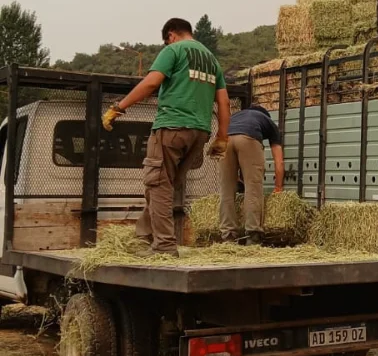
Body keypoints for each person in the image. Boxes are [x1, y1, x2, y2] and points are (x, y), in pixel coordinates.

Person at [103, 18, 230, 257]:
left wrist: (118, 107)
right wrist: (222, 136)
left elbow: (151, 82)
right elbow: (223, 101)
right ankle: (143, 236)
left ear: (171, 35)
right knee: (165, 185)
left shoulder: (174, 50)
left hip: (172, 127)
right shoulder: (212, 61)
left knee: (158, 184)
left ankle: (164, 246)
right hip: (200, 132)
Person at [219, 104, 284, 245]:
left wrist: (236, 178)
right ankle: (253, 235)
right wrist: (278, 188)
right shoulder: (269, 122)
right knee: (253, 188)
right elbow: (279, 163)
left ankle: (228, 236)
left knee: (226, 191)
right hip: (248, 138)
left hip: (224, 139)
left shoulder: (236, 116)